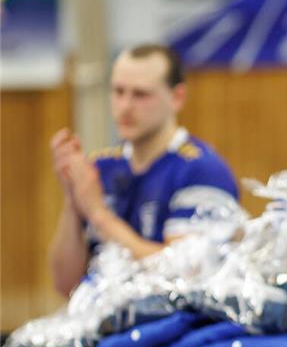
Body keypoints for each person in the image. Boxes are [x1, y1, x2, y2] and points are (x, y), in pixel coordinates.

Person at [48, 44, 239, 296]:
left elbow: (185, 275)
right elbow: (65, 285)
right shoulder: (100, 167)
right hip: (104, 324)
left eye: (140, 94)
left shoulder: (202, 170)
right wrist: (73, 199)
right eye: (118, 91)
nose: (125, 106)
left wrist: (98, 215)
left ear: (177, 98)